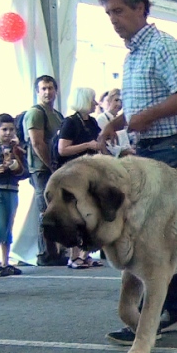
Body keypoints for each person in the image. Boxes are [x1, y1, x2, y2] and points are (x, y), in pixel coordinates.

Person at [97, 0, 177, 344]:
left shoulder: (162, 46)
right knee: (149, 236)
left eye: (119, 11)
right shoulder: (133, 55)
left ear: (141, 8)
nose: (113, 19)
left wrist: (147, 117)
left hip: (171, 146)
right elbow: (139, 105)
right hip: (151, 149)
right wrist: (118, 120)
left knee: (151, 235)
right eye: (109, 13)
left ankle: (171, 307)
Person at [23, 75, 68, 266]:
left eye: (50, 88)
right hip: (41, 169)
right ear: (37, 91)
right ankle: (45, 253)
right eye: (43, 88)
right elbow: (37, 143)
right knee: (45, 210)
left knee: (55, 209)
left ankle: (55, 251)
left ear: (56, 91)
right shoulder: (35, 113)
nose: (47, 92)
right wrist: (52, 165)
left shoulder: (57, 115)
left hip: (55, 169)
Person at [58, 87, 104, 268]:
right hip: (73, 174)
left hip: (90, 172)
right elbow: (62, 149)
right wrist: (87, 145)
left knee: (91, 214)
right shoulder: (70, 122)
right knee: (76, 214)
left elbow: (100, 141)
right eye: (93, 99)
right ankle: (74, 255)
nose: (96, 103)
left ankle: (85, 254)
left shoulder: (92, 122)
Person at [0, 114, 26, 277]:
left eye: (11, 129)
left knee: (8, 226)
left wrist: (16, 165)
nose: (8, 133)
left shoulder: (17, 149)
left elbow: (24, 172)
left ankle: (5, 262)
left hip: (12, 190)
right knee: (0, 225)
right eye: (4, 129)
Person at [95, 88, 134, 157]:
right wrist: (123, 151)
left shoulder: (121, 120)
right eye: (116, 100)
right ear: (109, 100)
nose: (119, 104)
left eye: (121, 101)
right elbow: (106, 143)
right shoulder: (102, 118)